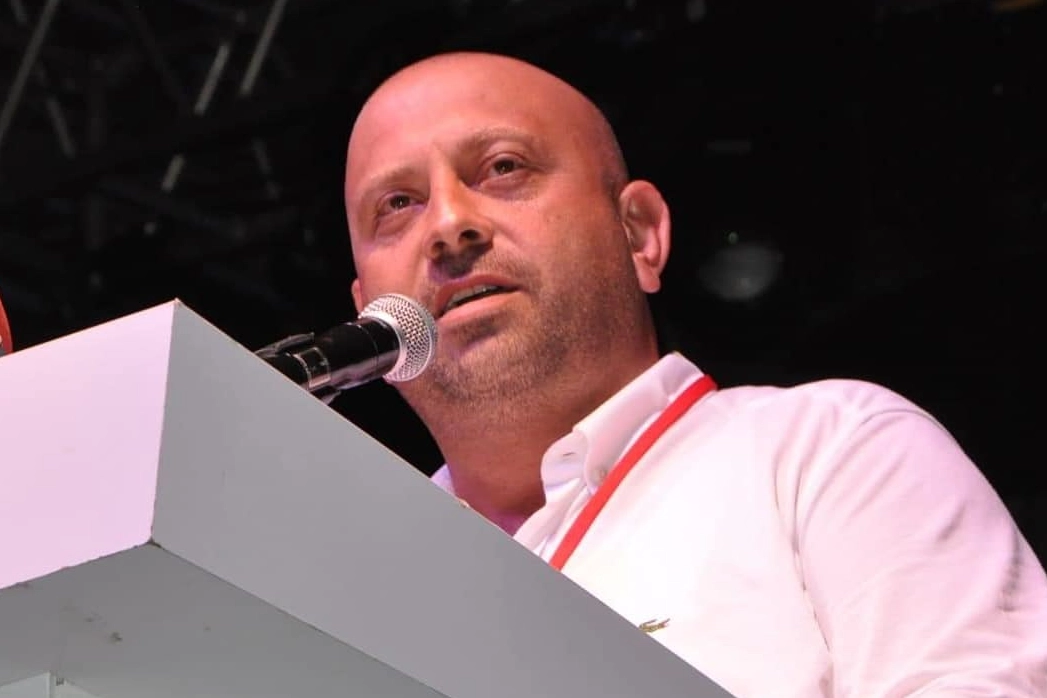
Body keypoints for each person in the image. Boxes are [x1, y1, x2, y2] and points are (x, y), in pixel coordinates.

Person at [343, 51, 1047, 697]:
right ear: (366, 308)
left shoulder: (829, 451)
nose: (448, 224)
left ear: (639, 234)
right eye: (396, 205)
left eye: (503, 168)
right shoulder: (350, 584)